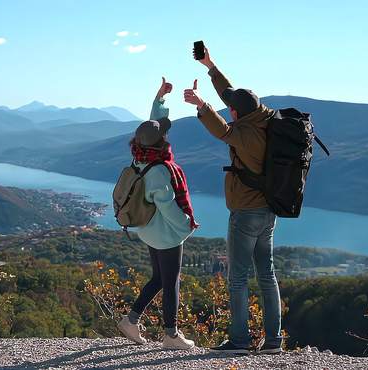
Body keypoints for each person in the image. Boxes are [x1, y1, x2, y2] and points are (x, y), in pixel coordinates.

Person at [183, 45, 283, 355]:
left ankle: (239, 341)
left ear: (238, 115)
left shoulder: (245, 135)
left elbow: (222, 130)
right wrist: (210, 66)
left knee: (238, 277)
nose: (230, 111)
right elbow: (233, 96)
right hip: (270, 210)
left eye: (233, 111)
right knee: (266, 274)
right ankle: (273, 342)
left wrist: (202, 105)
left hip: (246, 213)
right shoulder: (265, 118)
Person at [117, 77, 199, 350]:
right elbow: (168, 206)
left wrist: (160, 99)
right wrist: (186, 224)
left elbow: (153, 129)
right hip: (166, 233)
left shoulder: (140, 159)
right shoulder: (161, 170)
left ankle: (131, 320)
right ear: (160, 143)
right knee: (171, 280)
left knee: (158, 278)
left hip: (148, 230)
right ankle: (171, 335)